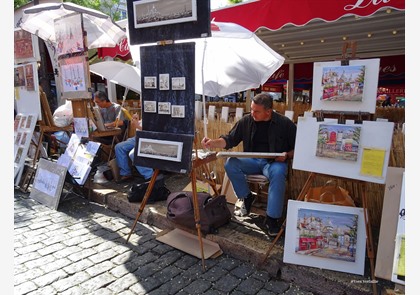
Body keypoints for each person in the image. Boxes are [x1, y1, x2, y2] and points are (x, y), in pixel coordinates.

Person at [201, 93, 297, 237]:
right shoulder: (246, 121)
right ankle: (246, 196)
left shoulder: (285, 124)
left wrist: (287, 155)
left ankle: (272, 219)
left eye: (256, 111)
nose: (252, 113)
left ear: (268, 111)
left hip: (273, 163)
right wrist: (212, 142)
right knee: (231, 163)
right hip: (252, 161)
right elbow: (229, 140)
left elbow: (299, 147)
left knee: (278, 173)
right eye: (251, 109)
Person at [114, 113, 154, 183]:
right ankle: (126, 173)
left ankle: (149, 176)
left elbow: (153, 131)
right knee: (119, 147)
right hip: (138, 137)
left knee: (134, 153)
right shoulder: (144, 114)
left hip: (149, 138)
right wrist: (135, 121)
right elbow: (135, 128)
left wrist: (137, 126)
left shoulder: (155, 115)